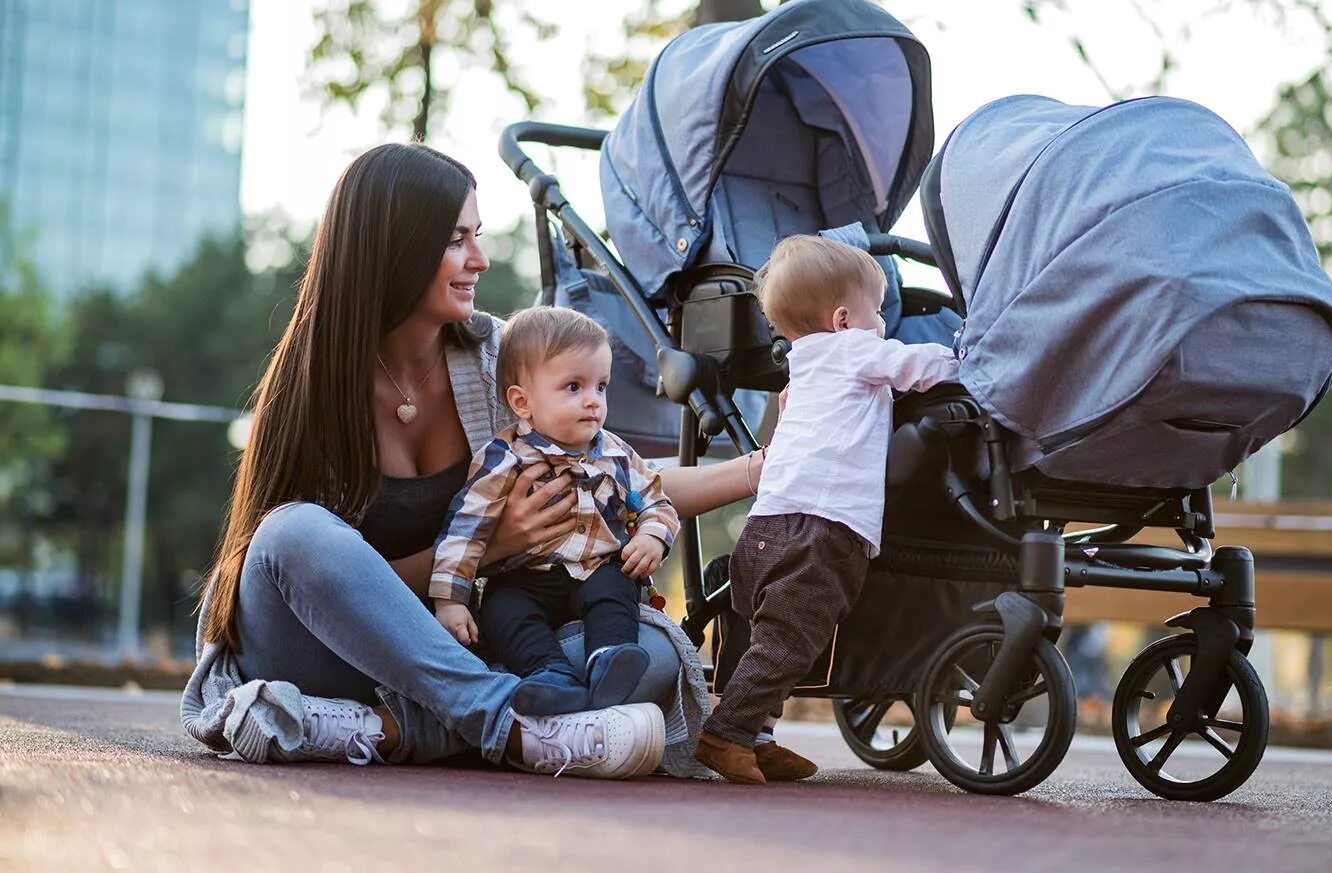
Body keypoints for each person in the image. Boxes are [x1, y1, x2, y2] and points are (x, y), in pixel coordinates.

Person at [181, 143, 767, 778]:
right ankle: (510, 728)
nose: (480, 260)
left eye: (477, 236)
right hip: (323, 652)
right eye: (457, 240)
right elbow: (302, 577)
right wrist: (488, 548)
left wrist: (757, 471)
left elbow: (618, 477)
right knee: (293, 532)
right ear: (396, 247)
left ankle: (382, 728)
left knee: (648, 652)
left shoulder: (493, 362)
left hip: (456, 653)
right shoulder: (311, 382)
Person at [694, 235, 960, 784]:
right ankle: (725, 735)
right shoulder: (854, 349)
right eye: (877, 314)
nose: (882, 326)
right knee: (790, 642)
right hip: (819, 528)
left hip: (768, 526)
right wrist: (965, 354)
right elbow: (915, 366)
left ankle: (758, 736)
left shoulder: (801, 373)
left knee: (773, 637)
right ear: (843, 319)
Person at [430, 307, 678, 716]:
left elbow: (656, 498)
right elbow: (464, 530)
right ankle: (548, 673)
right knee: (502, 608)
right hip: (527, 578)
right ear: (522, 402)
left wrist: (653, 535)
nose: (592, 402)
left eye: (601, 387)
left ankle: (610, 658)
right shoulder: (504, 459)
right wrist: (449, 600)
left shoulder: (615, 452)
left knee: (617, 588)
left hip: (597, 568)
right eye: (573, 387)